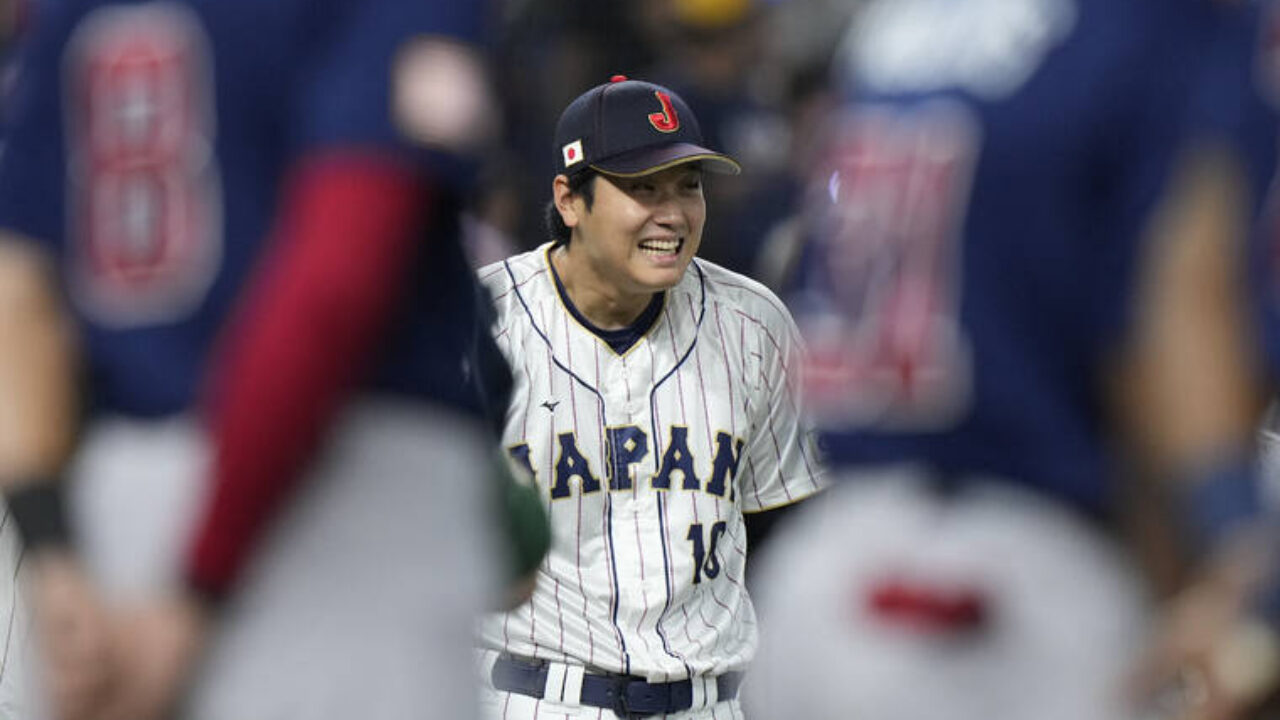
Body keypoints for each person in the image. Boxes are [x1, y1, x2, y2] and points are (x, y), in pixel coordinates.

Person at [0, 0, 547, 719]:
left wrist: (51, 554)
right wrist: (198, 588)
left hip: (106, 527)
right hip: (343, 508)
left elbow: (18, 297)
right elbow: (332, 284)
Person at [742, 0, 1280, 718]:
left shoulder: (902, 29)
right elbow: (1173, 311)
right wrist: (1237, 551)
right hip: (1014, 607)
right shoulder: (1161, 26)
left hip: (823, 577)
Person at [474, 75, 825, 719]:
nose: (673, 213)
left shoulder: (753, 324)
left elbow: (788, 530)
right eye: (642, 188)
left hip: (708, 702)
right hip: (534, 697)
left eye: (688, 185)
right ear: (570, 199)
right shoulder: (483, 321)